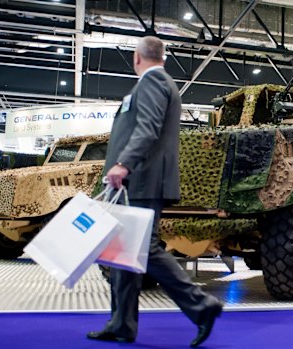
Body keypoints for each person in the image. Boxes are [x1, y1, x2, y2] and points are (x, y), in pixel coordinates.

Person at [87, 36, 223, 347]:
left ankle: (202, 306)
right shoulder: (159, 83)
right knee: (124, 253)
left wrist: (123, 164)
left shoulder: (152, 83)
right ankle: (121, 322)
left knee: (143, 250)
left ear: (137, 58)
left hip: (143, 181)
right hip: (139, 181)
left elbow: (147, 129)